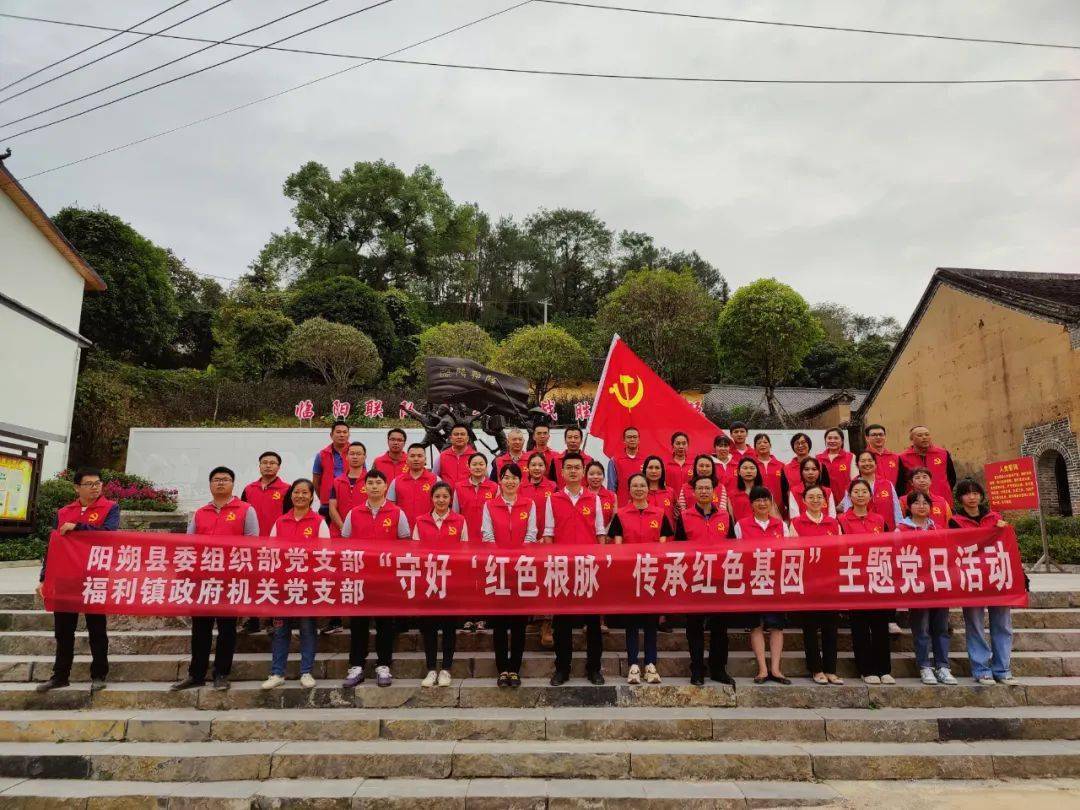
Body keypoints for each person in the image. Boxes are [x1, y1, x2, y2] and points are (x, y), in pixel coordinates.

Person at [171, 467, 259, 692]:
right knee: (200, 629)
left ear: (233, 484)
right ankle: (196, 673)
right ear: (210, 485)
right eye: (216, 480)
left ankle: (221, 673)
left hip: (230, 580)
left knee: (227, 629)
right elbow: (190, 544)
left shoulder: (246, 510)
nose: (221, 483)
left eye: (226, 480)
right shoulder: (200, 513)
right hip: (202, 580)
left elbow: (251, 543)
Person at [35, 468, 119, 692]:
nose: (95, 487)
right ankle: (60, 675)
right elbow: (52, 546)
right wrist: (44, 578)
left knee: (97, 628)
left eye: (98, 483)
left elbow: (109, 534)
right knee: (63, 631)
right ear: (77, 488)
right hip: (65, 578)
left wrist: (79, 527)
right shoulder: (64, 511)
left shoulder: (110, 508)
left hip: (94, 577)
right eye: (89, 484)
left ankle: (99, 674)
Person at [340, 470, 412, 688]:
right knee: (358, 624)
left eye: (378, 483)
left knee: (385, 624)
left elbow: (405, 542)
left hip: (386, 578)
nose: (373, 486)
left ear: (385, 486)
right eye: (369, 483)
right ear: (364, 487)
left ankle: (383, 665)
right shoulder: (354, 513)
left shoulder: (397, 512)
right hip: (360, 577)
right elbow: (345, 543)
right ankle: (357, 665)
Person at [543, 453, 607, 686]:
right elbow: (548, 534)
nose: (572, 471)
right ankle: (562, 669)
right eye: (568, 467)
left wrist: (600, 564)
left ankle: (594, 669)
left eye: (577, 468)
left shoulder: (594, 499)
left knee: (592, 622)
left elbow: (600, 533)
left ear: (583, 472)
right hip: (562, 569)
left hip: (588, 568)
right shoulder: (554, 499)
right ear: (562, 472)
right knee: (562, 623)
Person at [261, 479, 329, 690]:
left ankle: (306, 671)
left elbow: (324, 555)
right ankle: (277, 672)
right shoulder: (280, 522)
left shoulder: (318, 522)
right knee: (281, 631)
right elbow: (271, 553)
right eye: (296, 492)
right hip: (283, 586)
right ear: (291, 496)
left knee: (308, 629)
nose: (300, 496)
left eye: (304, 493)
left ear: (312, 497)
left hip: (307, 586)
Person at [949, 478, 1016, 686]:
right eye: (967, 493)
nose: (972, 497)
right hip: (972, 580)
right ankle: (981, 669)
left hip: (997, 578)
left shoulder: (995, 518)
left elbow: (1008, 547)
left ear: (981, 495)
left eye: (975, 493)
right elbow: (953, 549)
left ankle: (1002, 669)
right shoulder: (955, 521)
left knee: (1003, 624)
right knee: (975, 625)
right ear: (960, 498)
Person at [608, 473, 672, 685]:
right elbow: (617, 547)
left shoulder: (660, 514)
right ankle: (633, 664)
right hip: (630, 575)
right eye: (634, 485)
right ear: (629, 489)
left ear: (648, 488)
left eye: (642, 485)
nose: (638, 489)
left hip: (652, 575)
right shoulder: (621, 515)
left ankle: (651, 664)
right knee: (632, 623)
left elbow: (663, 547)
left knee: (651, 623)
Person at [481, 463, 538, 687]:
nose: (510, 481)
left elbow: (532, 533)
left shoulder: (528, 504)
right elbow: (487, 534)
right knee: (500, 622)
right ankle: (502, 669)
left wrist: (519, 559)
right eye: (506, 477)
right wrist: (502, 560)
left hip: (522, 570)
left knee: (518, 623)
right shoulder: (490, 505)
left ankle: (514, 668)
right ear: (500, 481)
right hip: (498, 570)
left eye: (514, 477)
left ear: (520, 481)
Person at [675, 475, 735, 686]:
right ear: (693, 492)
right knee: (695, 627)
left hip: (720, 578)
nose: (703, 491)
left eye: (707, 488)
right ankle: (697, 669)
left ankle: (719, 669)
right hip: (695, 578)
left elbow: (734, 547)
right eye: (699, 488)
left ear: (714, 491)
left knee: (721, 628)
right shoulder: (684, 516)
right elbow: (678, 548)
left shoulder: (725, 516)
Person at [899, 492, 957, 686]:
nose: (921, 506)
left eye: (925, 503)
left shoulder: (939, 529)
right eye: (916, 503)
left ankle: (943, 666)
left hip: (939, 584)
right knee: (921, 628)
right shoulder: (901, 529)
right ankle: (924, 666)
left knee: (941, 627)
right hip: (917, 586)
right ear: (909, 507)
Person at [838, 479, 892, 685]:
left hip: (878, 576)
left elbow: (888, 546)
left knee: (880, 625)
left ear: (871, 496)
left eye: (864, 491)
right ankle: (865, 668)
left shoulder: (879, 519)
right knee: (859, 625)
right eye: (856, 492)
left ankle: (884, 668)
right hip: (854, 577)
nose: (860, 495)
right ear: (849, 496)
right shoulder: (842, 521)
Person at [733, 486, 790, 684]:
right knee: (755, 625)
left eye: (766, 499)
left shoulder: (781, 525)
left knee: (776, 626)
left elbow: (787, 553)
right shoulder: (741, 525)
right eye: (758, 500)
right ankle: (762, 669)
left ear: (771, 502)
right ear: (751, 504)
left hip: (775, 582)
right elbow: (738, 553)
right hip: (752, 581)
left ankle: (776, 669)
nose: (762, 503)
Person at [414, 481, 467, 687]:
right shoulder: (420, 521)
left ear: (450, 499)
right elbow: (416, 551)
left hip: (451, 582)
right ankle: (430, 669)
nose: (441, 500)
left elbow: (464, 551)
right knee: (429, 628)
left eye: (445, 497)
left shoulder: (460, 521)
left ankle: (445, 668)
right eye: (437, 497)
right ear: (432, 499)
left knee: (449, 628)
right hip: (428, 582)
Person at [789, 485, 843, 686]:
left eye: (819, 497)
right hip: (808, 582)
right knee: (810, 628)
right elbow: (792, 552)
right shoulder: (796, 523)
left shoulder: (833, 523)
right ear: (803, 501)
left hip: (830, 581)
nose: (815, 500)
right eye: (811, 497)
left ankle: (831, 669)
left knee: (831, 627)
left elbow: (839, 550)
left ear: (825, 501)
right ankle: (816, 669)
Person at [239, 451, 290, 635]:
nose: (268, 466)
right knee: (253, 582)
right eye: (265, 462)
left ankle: (272, 620)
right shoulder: (249, 489)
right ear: (259, 466)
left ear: (279, 467)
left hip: (277, 544)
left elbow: (290, 517)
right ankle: (253, 620)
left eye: (272, 463)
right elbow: (241, 515)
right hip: (253, 545)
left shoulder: (287, 490)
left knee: (274, 582)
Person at [322, 441, 368, 634]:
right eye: (352, 454)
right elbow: (332, 507)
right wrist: (343, 529)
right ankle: (335, 619)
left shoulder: (371, 480)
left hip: (363, 536)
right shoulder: (337, 481)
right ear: (346, 457)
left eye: (359, 454)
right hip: (338, 534)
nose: (355, 457)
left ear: (365, 457)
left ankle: (364, 613)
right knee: (338, 576)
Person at [840, 451, 902, 532]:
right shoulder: (851, 486)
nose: (867, 463)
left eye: (870, 460)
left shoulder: (887, 484)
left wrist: (898, 529)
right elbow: (847, 512)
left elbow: (897, 510)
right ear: (857, 465)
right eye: (863, 461)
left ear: (875, 464)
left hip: (888, 532)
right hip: (860, 534)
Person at [899, 425, 957, 500]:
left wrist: (944, 490)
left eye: (927, 434)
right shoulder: (903, 457)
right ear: (911, 438)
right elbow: (901, 483)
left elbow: (951, 477)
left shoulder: (943, 454)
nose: (924, 437)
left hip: (942, 500)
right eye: (920, 435)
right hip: (916, 503)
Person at [387, 443, 438, 524]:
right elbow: (390, 508)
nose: (416, 459)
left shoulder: (436, 480)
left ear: (425, 459)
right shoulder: (396, 481)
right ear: (406, 459)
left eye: (419, 456)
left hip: (428, 528)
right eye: (412, 456)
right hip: (403, 531)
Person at [453, 453, 498, 540]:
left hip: (488, 537)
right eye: (474, 464)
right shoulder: (459, 487)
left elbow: (498, 516)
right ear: (468, 467)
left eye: (481, 464)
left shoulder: (495, 487)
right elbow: (455, 514)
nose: (478, 467)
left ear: (486, 467)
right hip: (465, 537)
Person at [312, 420, 350, 518]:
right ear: (331, 435)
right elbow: (316, 481)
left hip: (350, 501)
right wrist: (323, 497)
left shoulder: (355, 453)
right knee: (327, 532)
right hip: (327, 504)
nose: (342, 435)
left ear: (348, 435)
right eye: (338, 432)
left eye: (345, 432)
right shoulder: (321, 455)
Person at [728, 457, 771, 524]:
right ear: (738, 472)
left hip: (763, 530)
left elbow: (774, 514)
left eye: (752, 468)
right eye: (745, 468)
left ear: (757, 471)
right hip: (742, 531)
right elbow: (732, 520)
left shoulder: (765, 491)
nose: (748, 471)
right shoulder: (732, 494)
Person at [606, 426, 643, 497]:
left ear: (639, 440)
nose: (632, 439)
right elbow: (611, 487)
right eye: (629, 437)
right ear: (624, 440)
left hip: (642, 505)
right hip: (622, 504)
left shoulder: (646, 460)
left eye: (635, 437)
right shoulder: (614, 461)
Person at [750, 433, 784, 507]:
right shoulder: (751, 466)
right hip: (758, 506)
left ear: (770, 445)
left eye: (765, 442)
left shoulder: (781, 465)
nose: (762, 445)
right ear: (755, 447)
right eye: (759, 443)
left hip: (779, 507)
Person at [816, 428, 855, 492]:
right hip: (825, 497)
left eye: (836, 438)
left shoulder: (851, 457)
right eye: (829, 438)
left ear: (842, 440)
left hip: (845, 498)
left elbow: (855, 480)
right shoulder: (818, 458)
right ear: (825, 440)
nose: (832, 441)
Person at [642, 455, 677, 527]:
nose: (654, 471)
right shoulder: (640, 493)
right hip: (646, 535)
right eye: (650, 468)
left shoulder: (670, 492)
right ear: (645, 470)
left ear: (662, 471)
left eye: (657, 468)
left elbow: (676, 514)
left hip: (668, 536)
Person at [585, 460, 617, 526]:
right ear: (586, 476)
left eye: (599, 474)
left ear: (604, 476)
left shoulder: (612, 496)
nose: (596, 477)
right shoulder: (580, 495)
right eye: (591, 474)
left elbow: (614, 519)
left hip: (607, 534)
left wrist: (605, 532)